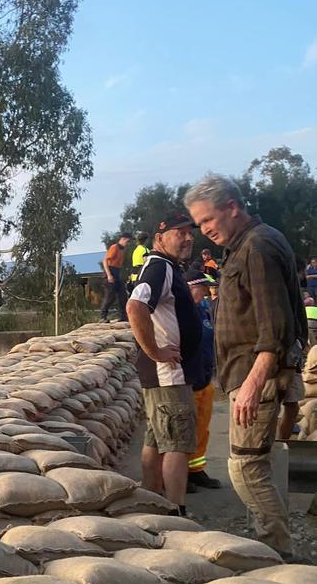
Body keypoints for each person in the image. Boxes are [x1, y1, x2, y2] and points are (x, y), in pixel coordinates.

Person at [185, 173, 308, 558]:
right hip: (251, 372)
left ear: (232, 208)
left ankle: (276, 552)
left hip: (257, 375)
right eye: (199, 224)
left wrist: (254, 384)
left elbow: (275, 326)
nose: (204, 231)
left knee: (245, 468)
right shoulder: (247, 245)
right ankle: (270, 540)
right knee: (263, 462)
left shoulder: (257, 247)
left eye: (207, 220)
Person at [126, 212, 202, 515]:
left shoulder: (165, 267)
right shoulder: (160, 267)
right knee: (178, 443)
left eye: (189, 233)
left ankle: (151, 499)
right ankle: (175, 509)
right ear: (159, 238)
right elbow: (135, 307)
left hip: (164, 373)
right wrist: (155, 352)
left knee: (157, 438)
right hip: (168, 373)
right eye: (179, 233)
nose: (187, 238)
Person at [184, 270, 221, 491]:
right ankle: (181, 473)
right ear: (190, 287)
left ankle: (196, 470)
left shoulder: (203, 311)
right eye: (203, 288)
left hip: (205, 378)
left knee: (202, 429)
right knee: (185, 431)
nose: (208, 291)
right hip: (189, 380)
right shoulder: (182, 312)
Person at [100, 232, 132, 322]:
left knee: (123, 295)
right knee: (110, 295)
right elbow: (105, 260)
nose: (128, 244)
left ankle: (123, 316)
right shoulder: (114, 247)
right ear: (123, 239)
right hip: (110, 271)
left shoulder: (123, 250)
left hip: (117, 272)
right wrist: (109, 275)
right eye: (127, 241)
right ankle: (103, 316)